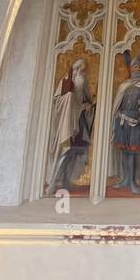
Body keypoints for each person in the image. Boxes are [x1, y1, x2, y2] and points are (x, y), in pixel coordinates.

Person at [108, 51, 140, 194]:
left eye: (137, 66)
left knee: (133, 152)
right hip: (122, 120)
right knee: (124, 152)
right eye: (133, 66)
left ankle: (132, 181)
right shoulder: (124, 84)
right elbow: (117, 103)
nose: (135, 68)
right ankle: (125, 180)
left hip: (136, 121)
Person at [47, 58, 94, 192]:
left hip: (78, 120)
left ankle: (66, 181)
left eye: (82, 70)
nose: (80, 72)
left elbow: (88, 99)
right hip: (66, 121)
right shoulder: (65, 81)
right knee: (65, 151)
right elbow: (56, 100)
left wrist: (88, 105)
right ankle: (53, 182)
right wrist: (68, 98)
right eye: (78, 69)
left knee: (73, 152)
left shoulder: (82, 81)